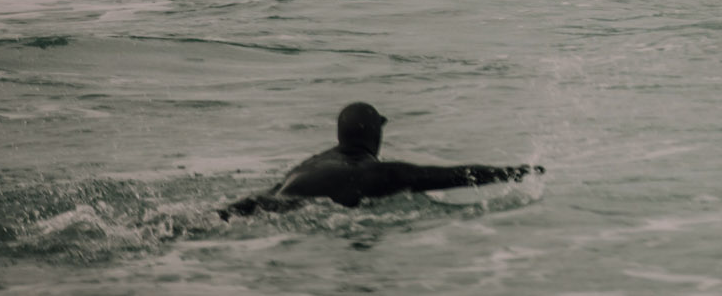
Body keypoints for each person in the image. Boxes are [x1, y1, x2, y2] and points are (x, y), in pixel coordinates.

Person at [219, 102, 539, 216]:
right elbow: (449, 176)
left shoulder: (308, 164)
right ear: (376, 135)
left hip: (267, 201)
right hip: (311, 211)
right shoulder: (377, 174)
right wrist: (515, 172)